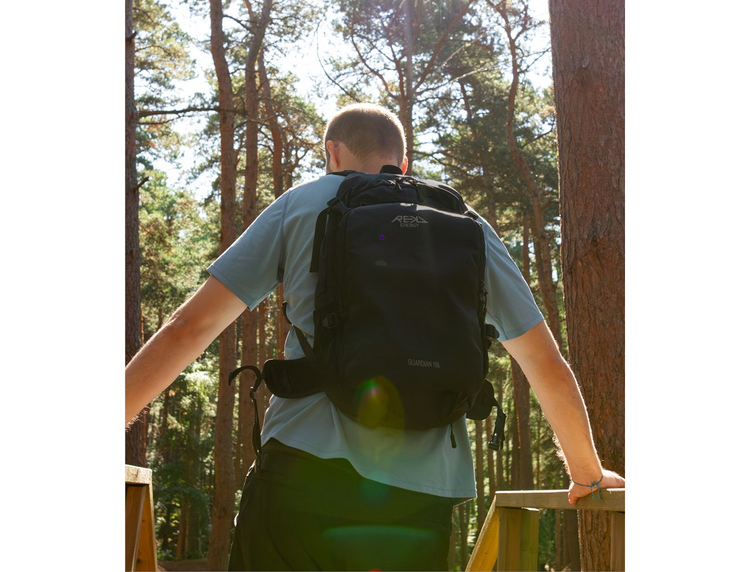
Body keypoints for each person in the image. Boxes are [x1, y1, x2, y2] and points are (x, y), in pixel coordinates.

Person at [126, 103, 624, 571]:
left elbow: (188, 328)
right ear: (402, 163)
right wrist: (587, 472)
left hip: (302, 472)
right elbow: (544, 361)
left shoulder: (303, 202)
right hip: (421, 497)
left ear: (333, 153)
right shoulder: (464, 222)